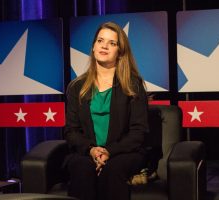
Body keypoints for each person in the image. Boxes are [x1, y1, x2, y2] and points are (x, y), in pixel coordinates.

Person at [64, 21, 149, 200]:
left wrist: (109, 151)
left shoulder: (133, 85)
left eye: (112, 43)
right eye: (100, 41)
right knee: (82, 167)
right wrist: (92, 150)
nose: (104, 46)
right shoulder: (76, 87)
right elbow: (71, 131)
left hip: (124, 153)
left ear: (120, 52)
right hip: (86, 152)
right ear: (93, 47)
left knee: (113, 169)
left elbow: (138, 132)